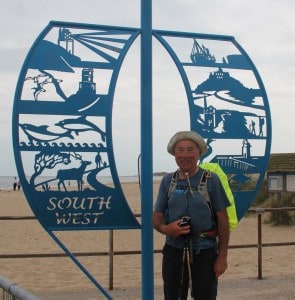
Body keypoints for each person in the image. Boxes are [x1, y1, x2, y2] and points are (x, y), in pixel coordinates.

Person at [152, 131, 230, 300]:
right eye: (180, 150)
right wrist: (167, 229)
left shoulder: (211, 180)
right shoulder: (168, 181)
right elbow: (157, 216)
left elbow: (223, 219)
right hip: (173, 249)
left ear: (199, 153)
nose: (185, 155)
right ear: (174, 154)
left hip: (205, 251)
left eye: (190, 150)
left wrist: (222, 257)